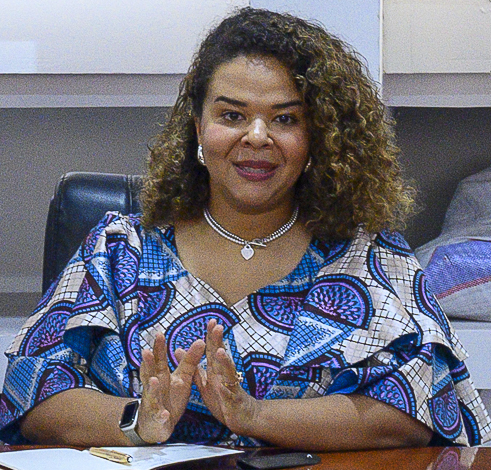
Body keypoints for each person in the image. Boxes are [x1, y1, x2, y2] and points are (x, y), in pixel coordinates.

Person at [1, 7, 490, 450]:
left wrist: (253, 414)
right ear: (198, 127)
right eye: (232, 115)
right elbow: (34, 389)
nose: (256, 137)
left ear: (318, 136)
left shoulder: (371, 258)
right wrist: (139, 421)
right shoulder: (117, 250)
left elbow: (415, 410)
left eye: (285, 118)